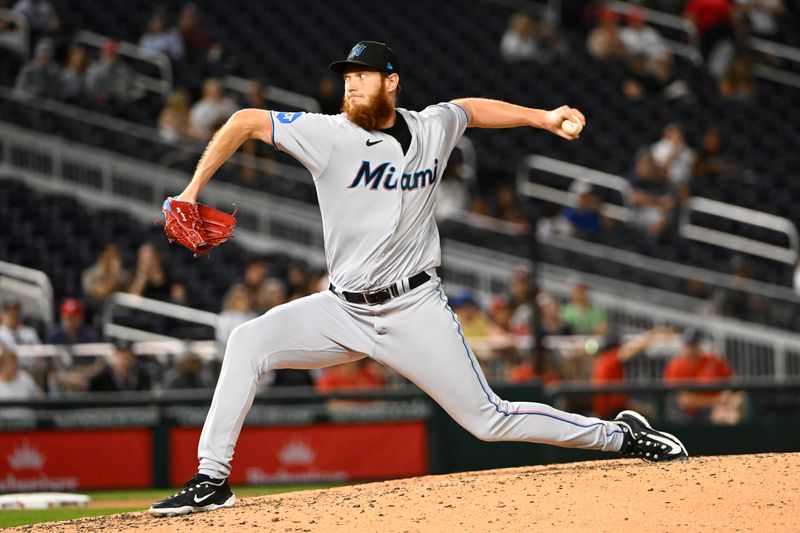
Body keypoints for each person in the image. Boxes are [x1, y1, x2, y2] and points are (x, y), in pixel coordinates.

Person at [149, 40, 687, 517]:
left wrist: (541, 117)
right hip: (341, 311)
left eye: (361, 76)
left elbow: (470, 110)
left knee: (488, 420)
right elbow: (244, 119)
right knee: (247, 341)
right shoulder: (325, 135)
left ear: (391, 82)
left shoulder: (432, 127)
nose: (351, 85)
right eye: (346, 78)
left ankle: (620, 435)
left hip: (414, 309)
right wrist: (192, 191)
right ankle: (211, 481)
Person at [591, 327, 675, 419]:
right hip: (611, 409)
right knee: (648, 416)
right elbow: (637, 346)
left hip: (607, 408)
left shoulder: (601, 360)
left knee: (645, 411)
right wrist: (657, 333)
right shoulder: (610, 358)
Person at [663, 329, 742, 423]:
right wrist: (716, 401)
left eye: (693, 344)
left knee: (735, 407)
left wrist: (730, 397)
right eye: (688, 344)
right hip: (690, 413)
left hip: (720, 406)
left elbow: (733, 381)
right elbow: (683, 400)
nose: (690, 348)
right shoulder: (675, 366)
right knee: (723, 416)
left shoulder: (714, 360)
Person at [86, 39, 135, 105]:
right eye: (108, 50)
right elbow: (90, 85)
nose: (110, 54)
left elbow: (123, 90)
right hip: (93, 100)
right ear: (102, 51)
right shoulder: (94, 66)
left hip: (114, 102)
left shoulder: (124, 69)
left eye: (112, 52)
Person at [0, 348, 43, 418]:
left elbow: (40, 397)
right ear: (2, 366)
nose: (15, 367)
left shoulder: (24, 376)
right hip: (4, 426)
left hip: (29, 424)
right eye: (11, 365)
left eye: (16, 364)